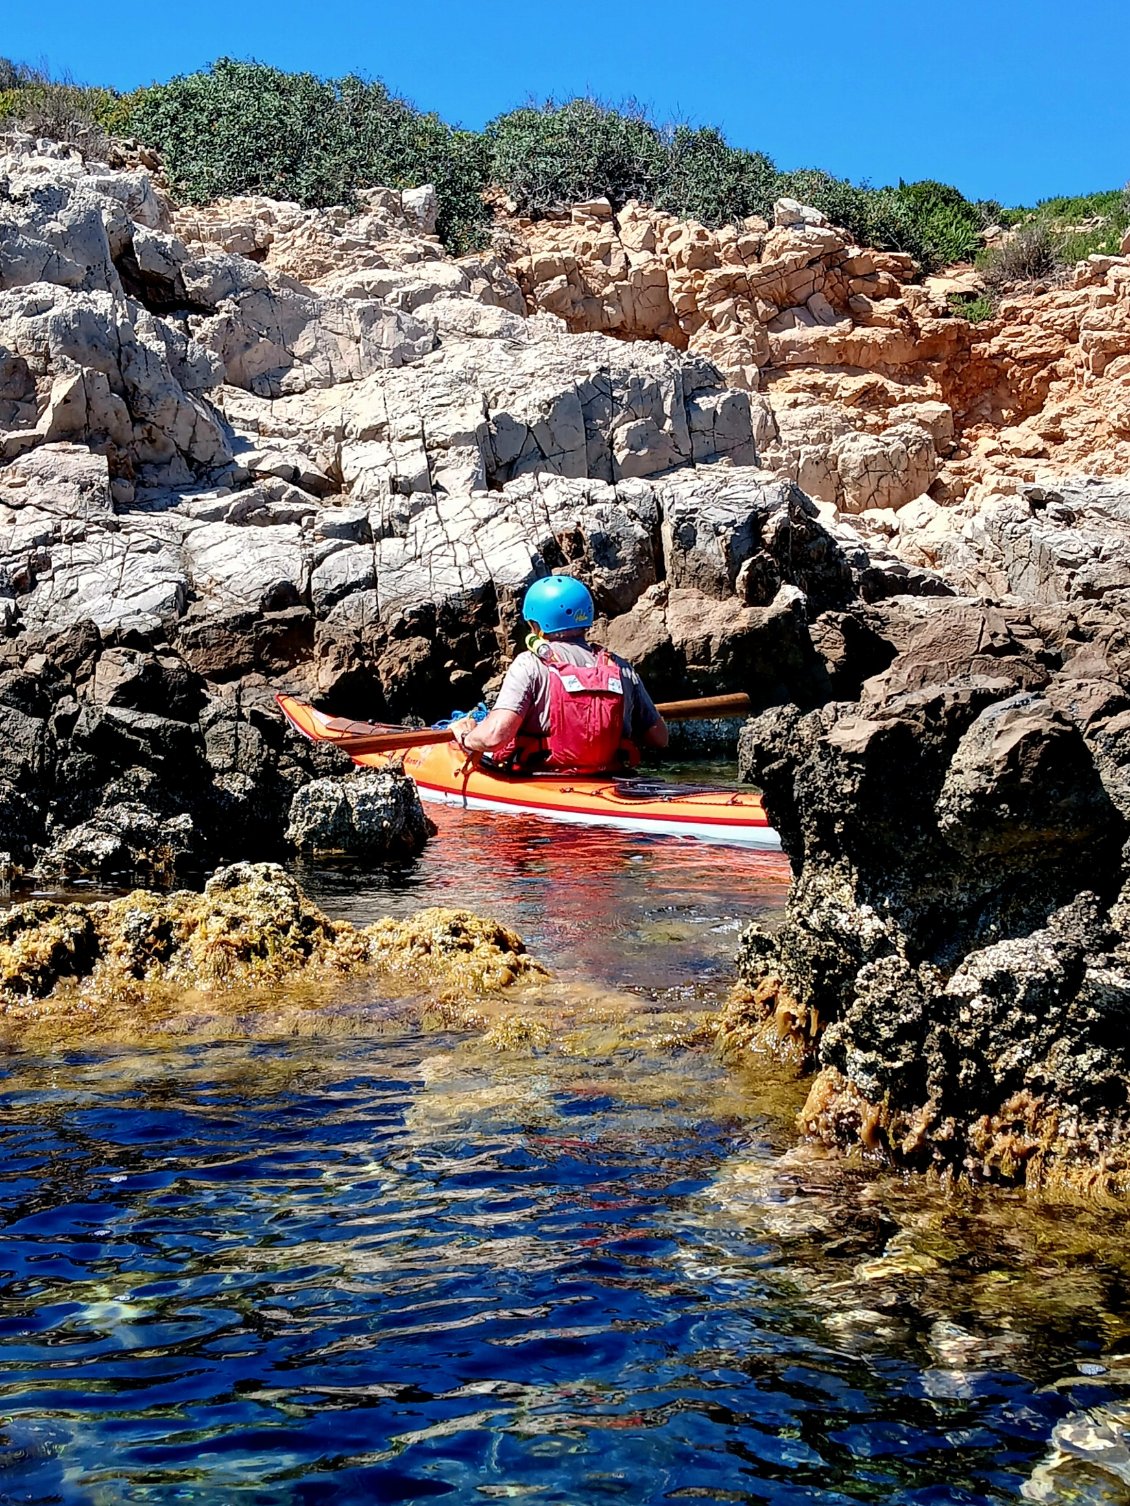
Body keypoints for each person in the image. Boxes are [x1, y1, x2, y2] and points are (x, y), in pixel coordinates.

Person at [448, 575, 668, 774]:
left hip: (542, 778)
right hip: (608, 776)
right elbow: (659, 738)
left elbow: (494, 737)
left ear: (537, 625)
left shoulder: (529, 664)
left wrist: (467, 736)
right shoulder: (620, 667)